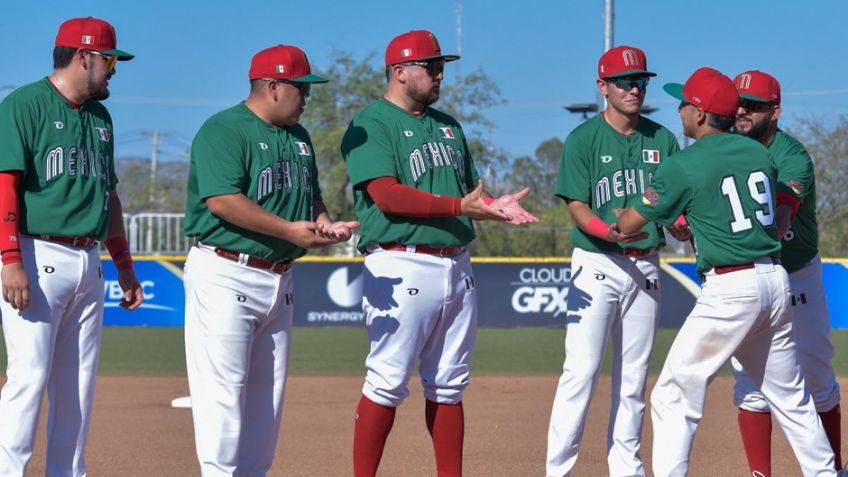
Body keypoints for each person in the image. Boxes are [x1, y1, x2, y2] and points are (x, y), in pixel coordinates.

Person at [616, 66, 840, 477]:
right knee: (791, 397)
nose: (679, 109)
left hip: (732, 287)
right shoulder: (756, 153)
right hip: (773, 280)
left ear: (699, 114)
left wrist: (622, 220)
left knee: (673, 393)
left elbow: (629, 225)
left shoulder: (684, 163)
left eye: (683, 103)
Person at [341, 30, 537, 477]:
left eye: (441, 65)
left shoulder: (449, 126)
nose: (440, 74)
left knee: (449, 386)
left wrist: (494, 209)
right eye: (431, 66)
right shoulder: (371, 122)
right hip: (400, 259)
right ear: (400, 71)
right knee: (387, 381)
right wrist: (460, 207)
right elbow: (386, 195)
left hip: (455, 262)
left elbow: (466, 196)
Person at [183, 44, 358, 476]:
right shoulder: (224, 129)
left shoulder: (299, 137)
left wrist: (323, 223)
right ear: (273, 86)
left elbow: (310, 196)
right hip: (226, 272)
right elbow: (223, 201)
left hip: (279, 278)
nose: (308, 97)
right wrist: (288, 230)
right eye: (302, 88)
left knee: (267, 399)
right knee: (223, 395)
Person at [0, 16, 143, 477]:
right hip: (35, 251)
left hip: (88, 259)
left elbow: (110, 195)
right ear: (85, 57)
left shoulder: (101, 117)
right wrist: (9, 259)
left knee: (78, 386)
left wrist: (124, 264)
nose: (114, 70)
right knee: (28, 378)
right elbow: (5, 182)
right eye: (110, 60)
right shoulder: (25, 104)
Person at [546, 45, 682, 477]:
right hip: (597, 263)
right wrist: (609, 232)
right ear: (602, 86)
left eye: (641, 80)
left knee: (634, 381)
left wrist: (680, 224)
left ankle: (627, 470)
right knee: (581, 374)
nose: (634, 88)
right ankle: (559, 471)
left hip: (646, 265)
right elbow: (578, 207)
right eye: (625, 81)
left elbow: (678, 202)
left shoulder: (663, 139)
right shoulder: (583, 139)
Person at [731, 69, 842, 476]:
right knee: (749, 385)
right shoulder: (724, 149)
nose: (741, 110)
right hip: (749, 276)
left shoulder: (791, 155)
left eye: (753, 105)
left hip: (796, 273)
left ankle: (835, 467)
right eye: (738, 102)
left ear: (774, 112)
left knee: (817, 376)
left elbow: (780, 219)